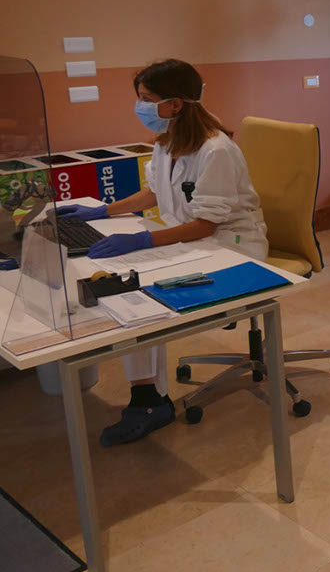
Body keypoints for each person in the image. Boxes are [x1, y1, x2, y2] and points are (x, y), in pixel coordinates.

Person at [56, 59, 267, 447]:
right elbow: (153, 193)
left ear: (176, 104)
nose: (140, 106)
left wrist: (142, 242)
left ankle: (148, 402)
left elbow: (206, 225)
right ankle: (150, 395)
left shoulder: (216, 150)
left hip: (232, 247)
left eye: (146, 98)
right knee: (122, 278)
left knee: (136, 290)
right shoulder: (168, 141)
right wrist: (102, 211)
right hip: (192, 240)